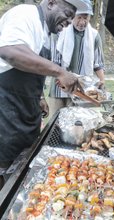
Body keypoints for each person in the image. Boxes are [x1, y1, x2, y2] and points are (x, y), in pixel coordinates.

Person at [0, 0, 89, 189]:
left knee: (23, 164)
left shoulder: (48, 33)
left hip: (27, 109)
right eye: (68, 13)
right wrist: (59, 72)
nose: (68, 22)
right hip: (6, 109)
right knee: (6, 167)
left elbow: (32, 66)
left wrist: (40, 96)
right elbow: (11, 52)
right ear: (51, 3)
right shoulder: (25, 14)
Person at [48, 0, 105, 118]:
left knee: (77, 125)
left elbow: (98, 64)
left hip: (82, 90)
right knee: (56, 122)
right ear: (73, 16)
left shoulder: (94, 36)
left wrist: (102, 81)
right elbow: (55, 62)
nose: (82, 22)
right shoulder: (60, 32)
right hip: (60, 88)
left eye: (86, 18)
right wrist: (63, 79)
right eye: (79, 17)